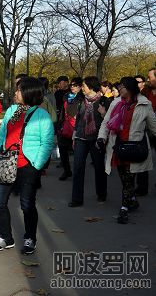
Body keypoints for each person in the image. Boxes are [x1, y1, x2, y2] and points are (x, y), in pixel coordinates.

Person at [0, 77, 54, 255]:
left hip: (28, 166)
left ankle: (30, 238)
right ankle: (5, 237)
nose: (15, 93)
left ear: (29, 93)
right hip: (6, 162)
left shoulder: (42, 116)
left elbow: (47, 144)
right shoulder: (12, 111)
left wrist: (36, 165)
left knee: (27, 204)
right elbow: (1, 136)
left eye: (19, 90)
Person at [97, 76, 156, 224]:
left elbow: (153, 127)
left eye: (121, 87)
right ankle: (132, 199)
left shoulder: (144, 104)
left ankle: (124, 208)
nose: (119, 89)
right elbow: (106, 122)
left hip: (135, 147)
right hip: (118, 146)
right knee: (124, 177)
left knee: (129, 178)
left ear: (129, 88)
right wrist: (101, 137)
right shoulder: (116, 103)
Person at [68, 76, 107, 207]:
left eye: (84, 86)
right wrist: (74, 136)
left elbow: (108, 121)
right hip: (80, 138)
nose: (82, 88)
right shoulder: (80, 101)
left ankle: (101, 194)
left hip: (96, 139)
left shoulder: (104, 101)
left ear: (91, 87)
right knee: (78, 167)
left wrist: (103, 114)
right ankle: (76, 198)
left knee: (99, 167)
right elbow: (77, 119)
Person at [57, 77, 83, 180]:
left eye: (75, 85)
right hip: (65, 125)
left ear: (80, 87)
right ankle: (67, 170)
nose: (72, 87)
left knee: (77, 152)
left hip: (77, 127)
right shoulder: (67, 96)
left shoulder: (82, 97)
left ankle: (78, 172)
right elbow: (63, 110)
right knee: (63, 150)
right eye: (71, 85)